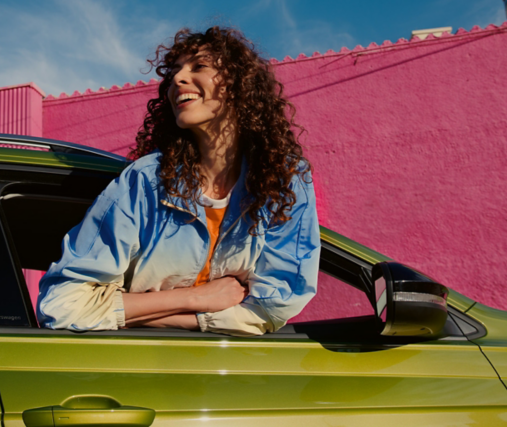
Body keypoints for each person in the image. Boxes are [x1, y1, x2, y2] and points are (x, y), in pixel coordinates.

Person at [37, 26, 320, 336]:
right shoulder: (145, 181)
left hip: (232, 371)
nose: (177, 79)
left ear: (240, 85)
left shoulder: (283, 181)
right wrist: (196, 298)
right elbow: (61, 305)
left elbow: (274, 306)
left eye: (199, 66)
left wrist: (163, 318)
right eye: (173, 71)